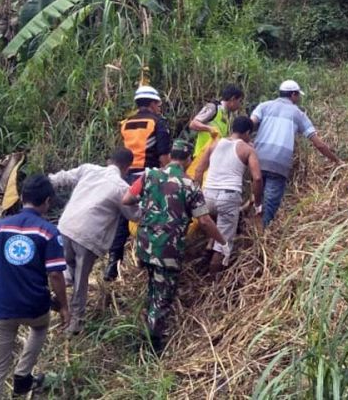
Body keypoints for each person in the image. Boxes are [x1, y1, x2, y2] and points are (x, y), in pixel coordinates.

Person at [122, 139, 226, 352]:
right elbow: (204, 221)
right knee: (162, 297)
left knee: (153, 287)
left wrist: (149, 210)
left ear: (170, 156)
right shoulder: (190, 186)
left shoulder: (149, 176)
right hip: (167, 250)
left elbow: (126, 199)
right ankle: (151, 347)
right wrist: (222, 241)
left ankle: (143, 330)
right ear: (188, 159)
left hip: (144, 246)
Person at [0, 174, 70, 400]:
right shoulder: (48, 231)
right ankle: (23, 374)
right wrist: (63, 306)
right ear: (46, 201)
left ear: (22, 198)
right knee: (40, 327)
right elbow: (55, 274)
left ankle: (20, 377)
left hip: (1, 309)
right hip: (34, 308)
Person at [48, 148, 137, 334]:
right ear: (127, 168)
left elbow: (62, 177)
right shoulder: (121, 188)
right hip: (88, 236)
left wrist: (46, 182)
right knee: (80, 280)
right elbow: (135, 215)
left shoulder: (88, 169)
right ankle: (75, 323)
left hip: (66, 226)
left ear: (108, 160)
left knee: (65, 269)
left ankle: (56, 300)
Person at [250, 80, 341, 227]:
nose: (298, 98)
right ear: (293, 94)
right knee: (270, 203)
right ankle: (263, 234)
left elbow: (249, 124)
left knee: (256, 197)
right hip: (279, 163)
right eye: (298, 95)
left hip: (256, 159)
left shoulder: (264, 106)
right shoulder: (297, 114)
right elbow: (318, 143)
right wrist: (337, 161)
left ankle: (250, 230)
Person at [106, 85, 172, 281]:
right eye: (158, 104)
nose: (159, 107)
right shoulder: (158, 123)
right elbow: (163, 156)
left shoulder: (126, 123)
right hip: (146, 175)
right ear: (152, 104)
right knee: (149, 217)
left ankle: (112, 264)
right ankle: (145, 260)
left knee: (122, 218)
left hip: (125, 174)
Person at [192, 116, 263, 273]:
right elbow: (257, 178)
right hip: (229, 197)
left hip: (207, 195)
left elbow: (198, 170)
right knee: (223, 243)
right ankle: (213, 283)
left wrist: (195, 197)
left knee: (214, 227)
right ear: (247, 132)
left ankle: (206, 252)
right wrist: (258, 204)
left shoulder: (214, 145)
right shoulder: (247, 149)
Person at [186, 84, 244, 180]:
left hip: (214, 157)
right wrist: (209, 129)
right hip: (202, 155)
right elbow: (193, 123)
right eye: (239, 101)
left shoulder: (227, 115)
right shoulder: (213, 108)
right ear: (233, 99)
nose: (239, 104)